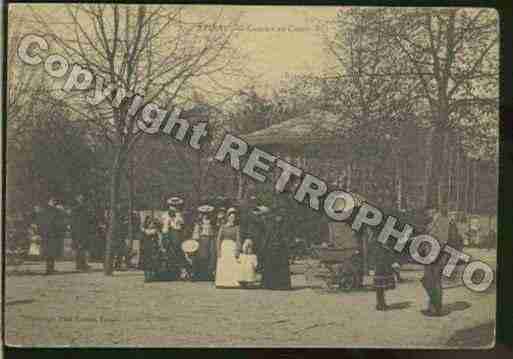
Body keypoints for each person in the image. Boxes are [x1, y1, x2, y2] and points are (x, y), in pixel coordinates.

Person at [421, 206, 450, 317]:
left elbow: (443, 241)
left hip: (436, 257)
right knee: (430, 281)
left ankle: (436, 308)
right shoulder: (432, 222)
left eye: (428, 211)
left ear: (434, 210)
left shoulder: (442, 221)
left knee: (434, 281)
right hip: (431, 256)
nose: (427, 213)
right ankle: (433, 306)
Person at [261, 209, 292, 290]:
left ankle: (282, 285)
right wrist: (265, 248)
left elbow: (286, 238)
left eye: (280, 217)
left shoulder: (284, 227)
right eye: (277, 217)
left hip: (281, 250)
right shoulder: (271, 226)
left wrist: (285, 245)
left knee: (281, 268)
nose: (278, 218)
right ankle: (270, 284)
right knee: (270, 266)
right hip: (271, 249)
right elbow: (267, 237)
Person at [215, 207, 242, 288]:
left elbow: (238, 239)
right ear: (228, 217)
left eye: (234, 217)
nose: (232, 219)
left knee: (232, 264)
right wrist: (218, 251)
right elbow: (219, 239)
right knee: (223, 264)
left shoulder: (237, 227)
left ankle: (231, 282)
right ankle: (222, 282)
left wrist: (237, 250)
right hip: (224, 247)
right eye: (231, 217)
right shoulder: (223, 227)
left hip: (232, 247)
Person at [41, 197, 67, 274]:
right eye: (53, 201)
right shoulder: (53, 210)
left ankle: (50, 268)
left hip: (48, 233)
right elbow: (57, 222)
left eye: (54, 201)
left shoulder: (45, 210)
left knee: (50, 252)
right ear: (50, 201)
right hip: (52, 234)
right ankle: (49, 269)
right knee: (51, 252)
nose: (54, 202)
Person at [191, 205, 216, 281]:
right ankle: (199, 274)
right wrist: (195, 240)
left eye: (207, 214)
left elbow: (214, 231)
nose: (206, 215)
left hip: (210, 239)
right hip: (201, 239)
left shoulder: (212, 222)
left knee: (211, 256)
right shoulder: (199, 223)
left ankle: (208, 273)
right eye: (204, 214)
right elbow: (196, 232)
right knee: (201, 256)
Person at [71, 194, 94, 271]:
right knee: (80, 248)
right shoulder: (77, 209)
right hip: (78, 231)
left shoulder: (84, 209)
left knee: (82, 248)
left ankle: (82, 264)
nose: (82, 200)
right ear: (77, 200)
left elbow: (89, 220)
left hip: (84, 230)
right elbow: (73, 222)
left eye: (83, 199)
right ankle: (79, 265)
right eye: (81, 199)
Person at [141, 216, 163, 282]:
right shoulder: (146, 231)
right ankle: (148, 276)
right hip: (147, 249)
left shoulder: (155, 231)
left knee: (153, 263)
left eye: (152, 223)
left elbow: (150, 232)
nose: (151, 225)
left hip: (153, 249)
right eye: (149, 223)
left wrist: (143, 229)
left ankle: (152, 276)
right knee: (147, 262)